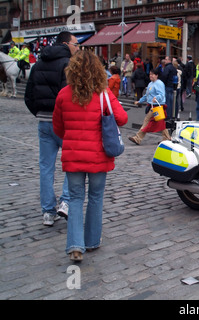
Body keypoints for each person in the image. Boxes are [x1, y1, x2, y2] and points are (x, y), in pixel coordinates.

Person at [52, 50, 128, 262]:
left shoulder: (64, 94)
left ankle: (75, 246)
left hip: (73, 156)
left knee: (75, 199)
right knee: (95, 197)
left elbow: (58, 128)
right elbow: (122, 118)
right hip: (99, 157)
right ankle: (92, 241)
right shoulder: (104, 93)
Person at [24, 31, 80, 226]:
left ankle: (48, 212)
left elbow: (28, 95)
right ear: (66, 44)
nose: (77, 47)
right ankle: (65, 201)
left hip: (44, 122)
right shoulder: (68, 65)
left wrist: (40, 113)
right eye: (76, 44)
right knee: (72, 162)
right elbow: (72, 95)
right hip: (64, 123)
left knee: (46, 167)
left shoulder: (38, 64)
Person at [128, 69, 169, 145]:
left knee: (147, 121)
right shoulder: (150, 84)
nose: (151, 76)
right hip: (153, 106)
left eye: (152, 74)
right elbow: (146, 95)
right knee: (161, 122)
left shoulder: (159, 83)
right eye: (150, 74)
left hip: (156, 106)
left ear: (157, 75)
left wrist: (156, 98)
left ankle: (138, 138)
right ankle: (167, 138)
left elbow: (161, 94)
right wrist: (140, 101)